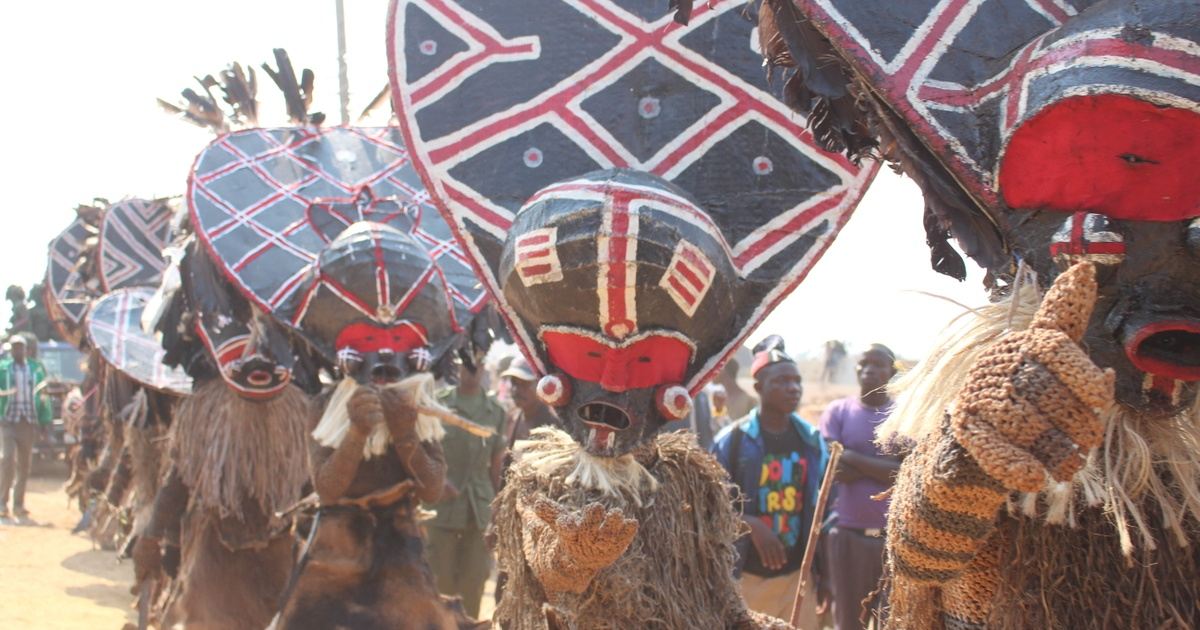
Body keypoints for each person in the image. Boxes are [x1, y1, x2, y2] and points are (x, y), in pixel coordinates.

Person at [712, 343, 831, 625]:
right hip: (747, 578)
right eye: (781, 381)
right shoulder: (733, 441)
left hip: (797, 579)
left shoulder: (812, 441)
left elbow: (821, 510)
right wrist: (750, 523)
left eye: (796, 381)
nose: (793, 388)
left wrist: (823, 573)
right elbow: (709, 506)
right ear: (759, 387)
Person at [819, 344, 902, 630]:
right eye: (863, 363)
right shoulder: (838, 411)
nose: (868, 369)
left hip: (893, 539)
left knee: (891, 622)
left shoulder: (903, 416)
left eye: (878, 364)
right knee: (848, 622)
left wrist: (852, 456)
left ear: (891, 372)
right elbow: (833, 468)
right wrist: (884, 467)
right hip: (847, 536)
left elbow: (905, 474)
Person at [428, 358, 507, 618]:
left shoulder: (495, 411)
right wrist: (436, 479)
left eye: (477, 365)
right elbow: (422, 449)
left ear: (484, 368)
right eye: (466, 364)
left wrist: (499, 512)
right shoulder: (437, 403)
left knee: (474, 581)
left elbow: (497, 466)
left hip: (479, 509)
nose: (471, 371)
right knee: (439, 580)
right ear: (457, 366)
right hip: (440, 507)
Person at [0, 335, 50, 519]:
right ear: (10, 350)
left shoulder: (35, 370)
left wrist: (45, 422)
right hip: (8, 421)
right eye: (14, 348)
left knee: (24, 464)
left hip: (28, 422)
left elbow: (43, 398)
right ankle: (2, 503)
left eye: (20, 347)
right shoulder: (3, 369)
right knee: (7, 460)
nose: (17, 351)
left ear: (26, 350)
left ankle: (18, 504)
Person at [500, 356, 556, 446]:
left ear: (539, 385)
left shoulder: (553, 425)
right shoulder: (512, 418)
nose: (516, 389)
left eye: (524, 383)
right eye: (514, 382)